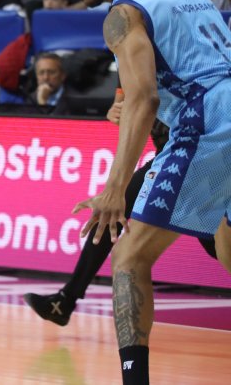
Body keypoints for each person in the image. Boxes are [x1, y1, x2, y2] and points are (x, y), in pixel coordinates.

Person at [70, 0, 231, 384]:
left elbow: (144, 100)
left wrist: (115, 187)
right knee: (226, 246)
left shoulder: (122, 13)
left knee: (129, 261)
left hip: (211, 120)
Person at [24, 89, 219, 327]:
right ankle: (66, 299)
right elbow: (124, 105)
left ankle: (66, 300)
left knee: (217, 244)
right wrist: (116, 113)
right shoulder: (127, 58)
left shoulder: (178, 57)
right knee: (113, 210)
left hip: (195, 154)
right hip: (167, 156)